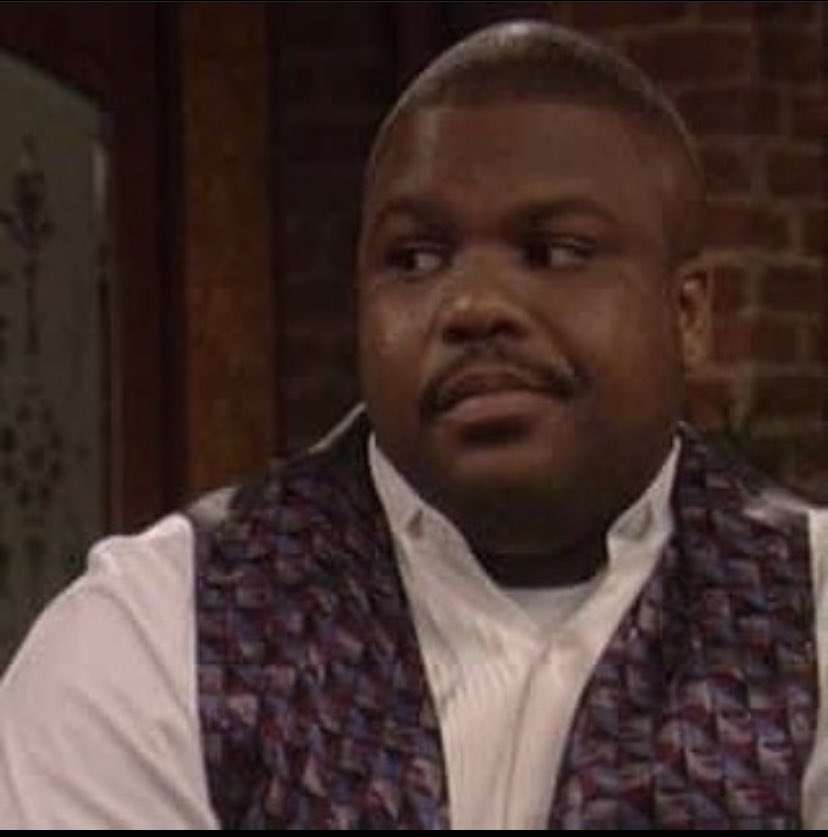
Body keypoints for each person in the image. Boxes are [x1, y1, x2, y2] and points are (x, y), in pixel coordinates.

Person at [0, 19, 826, 829]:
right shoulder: (153, 637)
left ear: (687, 314)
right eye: (416, 259)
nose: (474, 306)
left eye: (554, 251)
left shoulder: (813, 616)